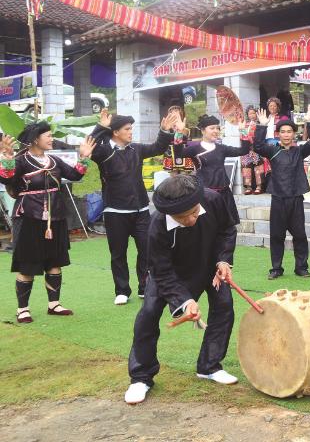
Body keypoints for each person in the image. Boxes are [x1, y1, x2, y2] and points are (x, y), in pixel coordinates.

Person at [125, 174, 240, 404]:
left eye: (195, 212)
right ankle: (141, 377)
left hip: (209, 264)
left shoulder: (213, 199)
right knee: (148, 314)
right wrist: (185, 300)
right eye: (182, 216)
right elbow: (162, 270)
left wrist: (223, 260)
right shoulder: (157, 225)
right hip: (169, 272)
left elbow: (227, 230)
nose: (190, 219)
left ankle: (209, 366)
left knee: (224, 307)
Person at [0, 123, 96, 323]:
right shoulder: (21, 161)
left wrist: (84, 157)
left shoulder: (54, 160)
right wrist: (7, 160)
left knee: (55, 261)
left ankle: (54, 304)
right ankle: (23, 309)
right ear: (36, 139)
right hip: (29, 218)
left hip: (56, 218)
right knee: (27, 264)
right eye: (48, 136)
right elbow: (6, 179)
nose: (52, 139)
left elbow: (75, 175)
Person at [90, 109, 178, 306]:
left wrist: (164, 131)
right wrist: (100, 127)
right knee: (118, 254)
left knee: (147, 250)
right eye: (127, 129)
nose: (131, 132)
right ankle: (122, 290)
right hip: (115, 212)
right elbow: (89, 146)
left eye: (131, 128)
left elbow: (157, 147)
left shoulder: (136, 149)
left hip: (141, 211)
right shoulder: (103, 151)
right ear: (116, 132)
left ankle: (144, 287)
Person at [254, 105, 310, 279]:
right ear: (278, 134)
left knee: (300, 235)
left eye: (289, 131)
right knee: (276, 235)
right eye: (283, 132)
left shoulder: (299, 151)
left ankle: (301, 267)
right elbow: (258, 146)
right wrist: (261, 126)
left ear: (294, 134)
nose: (286, 135)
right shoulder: (272, 150)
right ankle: (276, 268)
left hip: (296, 198)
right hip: (278, 198)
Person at [180, 114, 251, 223]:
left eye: (217, 128)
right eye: (212, 128)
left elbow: (243, 151)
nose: (216, 131)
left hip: (224, 193)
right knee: (208, 225)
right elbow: (178, 153)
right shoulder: (195, 149)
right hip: (205, 195)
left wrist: (243, 131)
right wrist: (180, 134)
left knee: (228, 225)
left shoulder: (222, 148)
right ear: (203, 130)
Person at [163, 105, 195, 175]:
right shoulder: (167, 130)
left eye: (177, 117)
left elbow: (185, 138)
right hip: (171, 156)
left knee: (184, 177)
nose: (175, 120)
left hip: (184, 158)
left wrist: (180, 130)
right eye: (172, 118)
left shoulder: (186, 131)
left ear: (181, 118)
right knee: (173, 179)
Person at [240, 105, 264, 195]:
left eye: (253, 113)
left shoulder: (259, 124)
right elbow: (242, 136)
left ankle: (259, 186)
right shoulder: (245, 124)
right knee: (246, 167)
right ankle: (248, 187)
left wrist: (250, 138)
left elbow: (260, 136)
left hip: (256, 148)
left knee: (258, 167)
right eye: (249, 113)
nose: (252, 115)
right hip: (247, 149)